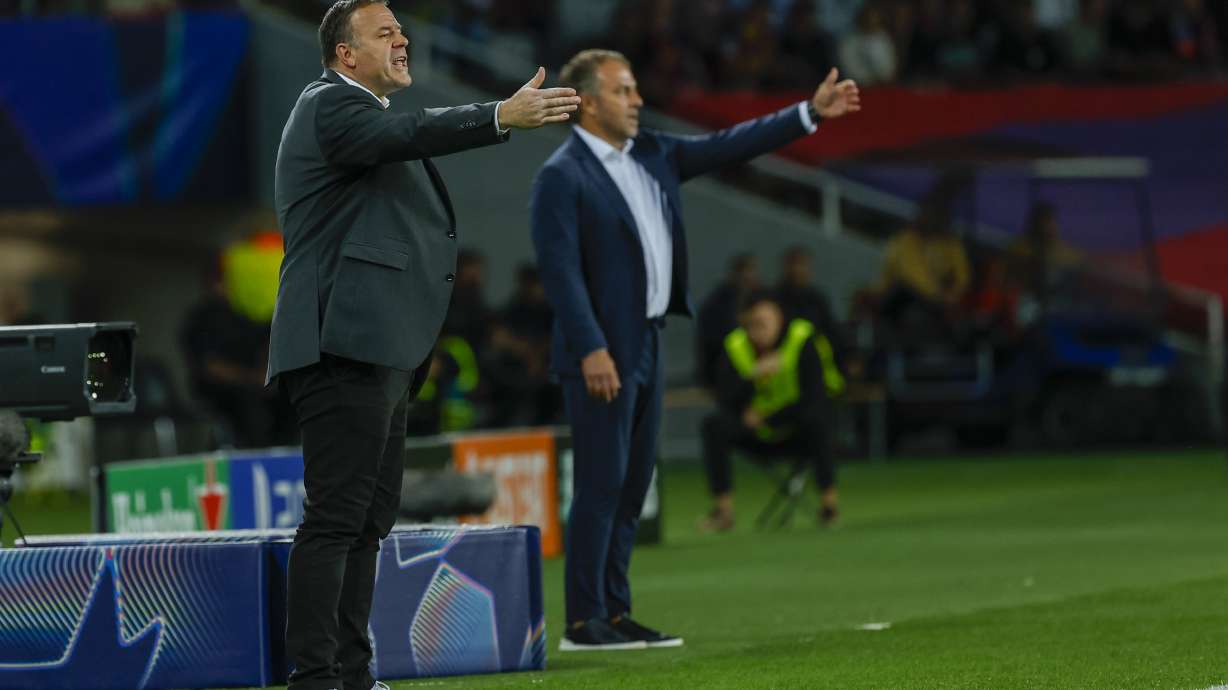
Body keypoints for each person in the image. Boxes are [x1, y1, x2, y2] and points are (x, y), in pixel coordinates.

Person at [264, 2, 579, 689]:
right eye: (385, 32)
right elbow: (410, 133)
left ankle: (352, 673)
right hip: (340, 344)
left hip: (381, 350)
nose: (402, 39)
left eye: (403, 29)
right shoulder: (328, 106)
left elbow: (398, 144)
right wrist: (498, 115)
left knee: (368, 521)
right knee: (338, 517)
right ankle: (315, 679)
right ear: (346, 54)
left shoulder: (363, 117)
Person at [530, 48, 860, 652]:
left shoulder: (655, 153)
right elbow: (560, 273)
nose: (637, 101)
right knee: (601, 484)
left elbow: (731, 144)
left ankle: (616, 609)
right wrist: (591, 347)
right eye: (624, 91)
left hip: (649, 338)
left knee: (632, 485)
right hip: (603, 351)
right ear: (589, 102)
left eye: (634, 89)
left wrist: (808, 114)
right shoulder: (562, 175)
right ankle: (582, 623)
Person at [700, 290, 844, 533]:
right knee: (714, 425)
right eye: (755, 324)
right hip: (755, 433)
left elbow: (815, 398)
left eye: (766, 322)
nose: (761, 330)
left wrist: (769, 417)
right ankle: (723, 511)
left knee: (819, 421)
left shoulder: (802, 339)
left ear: (780, 318)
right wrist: (753, 374)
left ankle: (829, 506)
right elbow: (725, 398)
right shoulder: (735, 346)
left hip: (795, 429)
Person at [695, 253, 760, 389]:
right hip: (725, 372)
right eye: (744, 273)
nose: (748, 277)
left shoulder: (763, 300)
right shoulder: (717, 306)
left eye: (751, 272)